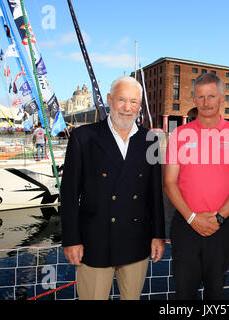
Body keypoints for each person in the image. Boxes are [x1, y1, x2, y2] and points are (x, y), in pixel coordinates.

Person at [60, 76, 165, 300]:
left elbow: (154, 194)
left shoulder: (150, 140)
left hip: (136, 240)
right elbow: (69, 195)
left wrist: (158, 236)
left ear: (140, 105)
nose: (128, 108)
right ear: (109, 100)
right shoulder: (84, 137)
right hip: (95, 243)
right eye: (122, 100)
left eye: (134, 102)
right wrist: (71, 239)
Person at [164, 72, 229, 300]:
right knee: (183, 293)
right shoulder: (179, 135)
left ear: (222, 99)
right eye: (201, 97)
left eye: (211, 96)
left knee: (215, 292)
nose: (206, 102)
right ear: (194, 99)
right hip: (185, 224)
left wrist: (218, 218)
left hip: (222, 225)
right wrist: (193, 218)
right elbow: (169, 183)